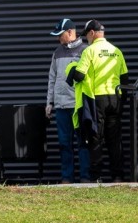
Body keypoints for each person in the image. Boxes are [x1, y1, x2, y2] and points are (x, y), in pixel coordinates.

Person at [67, 20, 128, 183]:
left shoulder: (90, 51)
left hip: (97, 99)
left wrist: (72, 70)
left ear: (92, 33)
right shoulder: (116, 51)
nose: (86, 39)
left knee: (96, 137)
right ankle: (117, 176)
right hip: (115, 98)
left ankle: (97, 176)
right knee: (114, 139)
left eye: (86, 35)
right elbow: (125, 78)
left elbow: (79, 75)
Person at [45, 18, 90, 183]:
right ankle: (67, 178)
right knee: (64, 144)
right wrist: (49, 102)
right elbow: (52, 78)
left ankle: (85, 177)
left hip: (78, 105)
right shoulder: (57, 52)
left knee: (82, 142)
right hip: (61, 106)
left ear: (70, 32)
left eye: (60, 35)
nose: (59, 38)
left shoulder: (86, 51)